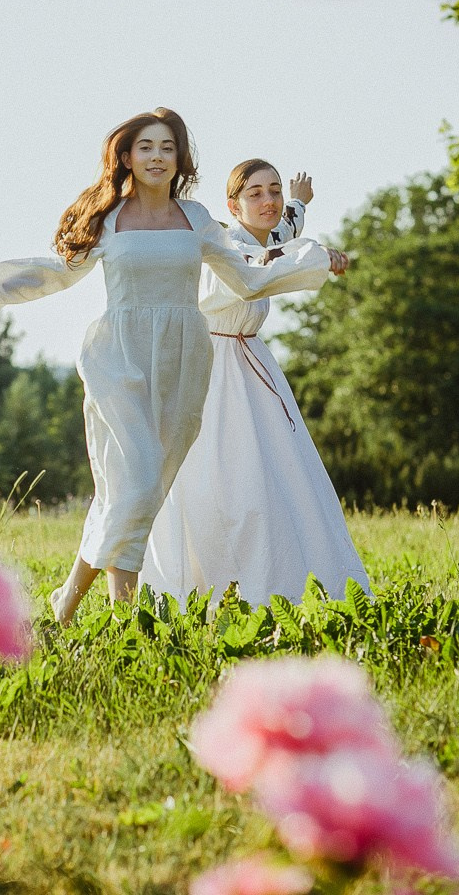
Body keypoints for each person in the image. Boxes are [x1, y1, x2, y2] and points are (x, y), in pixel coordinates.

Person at [0, 110, 341, 624]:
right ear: (127, 157)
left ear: (180, 158)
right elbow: (57, 272)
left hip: (183, 361)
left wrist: (312, 260)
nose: (156, 157)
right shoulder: (107, 218)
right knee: (136, 479)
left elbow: (247, 275)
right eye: (145, 147)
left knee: (142, 488)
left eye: (166, 148)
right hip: (118, 356)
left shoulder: (197, 219)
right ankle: (126, 617)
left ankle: (68, 597)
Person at [141, 159, 370, 605]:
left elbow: (281, 235)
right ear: (233, 205)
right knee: (220, 485)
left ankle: (282, 582)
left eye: (274, 191)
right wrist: (321, 258)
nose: (269, 201)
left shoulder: (267, 234)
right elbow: (263, 265)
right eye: (256, 194)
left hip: (250, 369)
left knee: (279, 481)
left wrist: (299, 204)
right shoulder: (227, 248)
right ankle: (211, 585)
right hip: (210, 372)